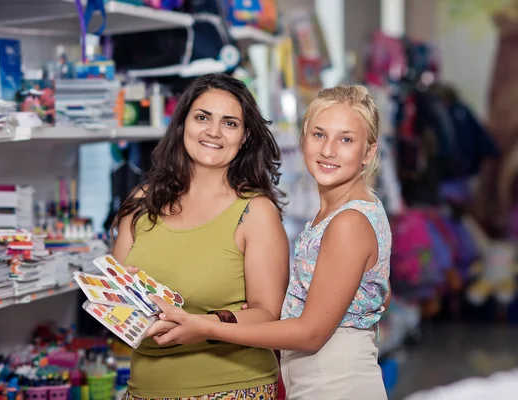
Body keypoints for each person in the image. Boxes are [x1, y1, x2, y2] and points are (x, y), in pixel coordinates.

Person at [148, 84, 391, 400]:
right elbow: (378, 295)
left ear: (368, 152)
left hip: (335, 384)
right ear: (303, 140)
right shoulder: (351, 210)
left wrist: (206, 327)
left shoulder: (347, 222)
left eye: (346, 139)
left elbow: (311, 334)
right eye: (319, 135)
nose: (328, 150)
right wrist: (292, 305)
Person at [111, 73, 290, 400]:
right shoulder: (141, 203)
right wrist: (120, 298)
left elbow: (268, 314)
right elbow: (114, 307)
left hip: (231, 388)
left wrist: (204, 324)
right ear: (182, 124)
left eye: (230, 123)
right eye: (202, 117)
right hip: (143, 388)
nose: (213, 131)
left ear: (245, 137)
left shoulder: (255, 212)